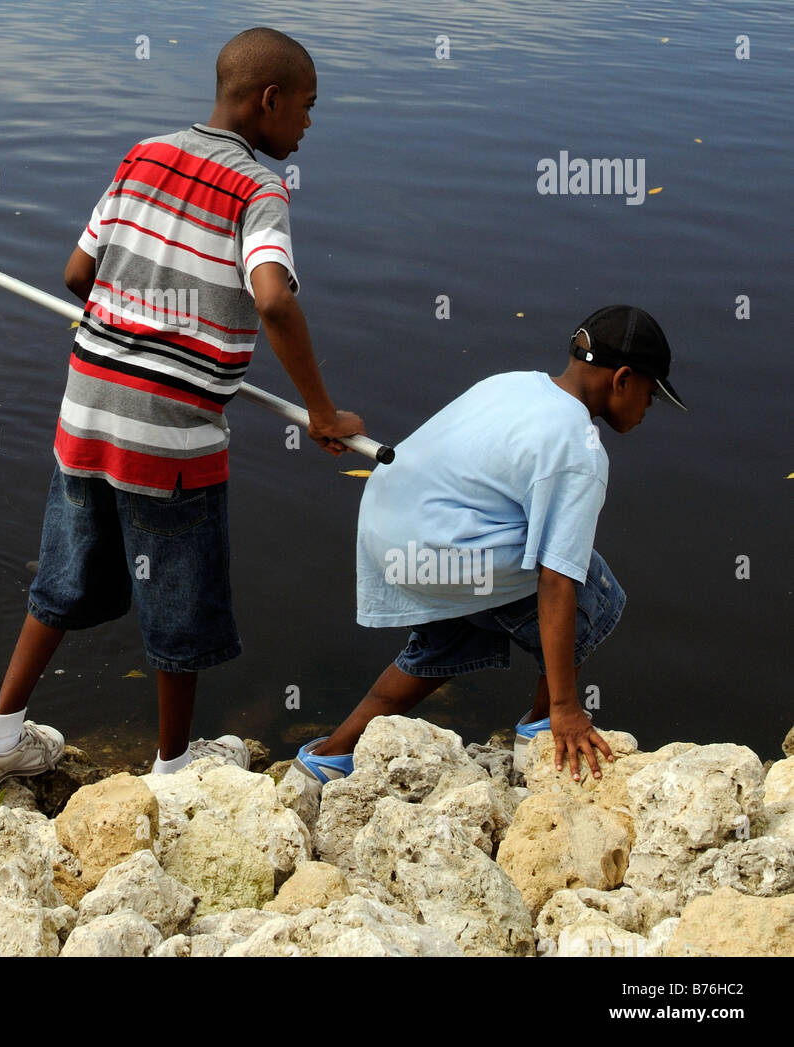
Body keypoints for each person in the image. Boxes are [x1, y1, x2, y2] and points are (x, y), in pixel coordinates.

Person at [0, 27, 366, 795]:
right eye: (306, 108)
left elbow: (78, 271)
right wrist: (322, 409)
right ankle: (173, 771)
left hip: (86, 411)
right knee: (181, 599)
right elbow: (272, 297)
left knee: (64, 578)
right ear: (268, 100)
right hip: (171, 438)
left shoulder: (143, 155)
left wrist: (133, 316)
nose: (308, 125)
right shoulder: (260, 190)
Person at [294, 305, 686, 785]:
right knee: (592, 586)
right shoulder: (578, 448)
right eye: (651, 394)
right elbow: (558, 578)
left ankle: (331, 755)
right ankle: (546, 725)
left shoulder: (513, 383)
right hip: (443, 546)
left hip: (391, 530)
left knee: (462, 627)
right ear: (623, 379)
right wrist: (568, 706)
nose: (648, 409)